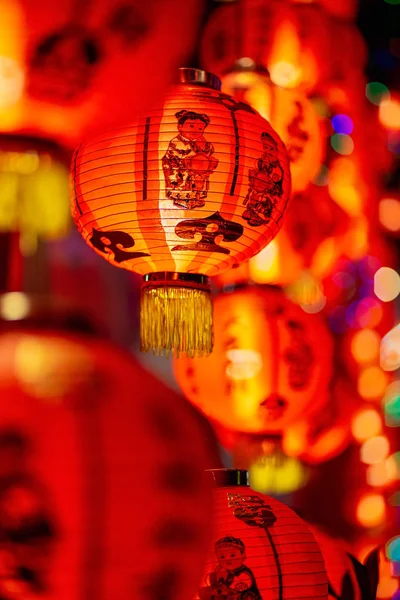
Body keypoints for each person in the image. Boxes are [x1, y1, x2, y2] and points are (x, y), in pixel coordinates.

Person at [162, 110, 219, 209]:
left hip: (196, 170)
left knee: (197, 184)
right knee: (183, 186)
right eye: (191, 126)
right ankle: (182, 200)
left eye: (200, 128)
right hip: (180, 169)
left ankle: (196, 199)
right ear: (180, 126)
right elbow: (174, 156)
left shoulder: (202, 142)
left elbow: (209, 151)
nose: (195, 131)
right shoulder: (176, 142)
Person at [242, 132, 284, 227]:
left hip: (267, 188)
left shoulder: (276, 165)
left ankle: (260, 215)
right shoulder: (263, 159)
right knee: (254, 196)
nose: (268, 151)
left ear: (276, 150)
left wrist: (273, 178)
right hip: (259, 184)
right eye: (265, 147)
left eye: (271, 149)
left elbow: (277, 177)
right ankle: (251, 210)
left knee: (264, 201)